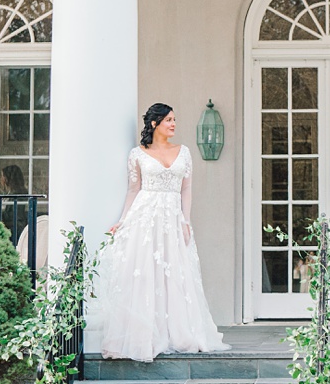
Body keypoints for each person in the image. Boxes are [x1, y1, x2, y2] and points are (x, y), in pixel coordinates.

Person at [93, 103, 230, 361]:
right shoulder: (137, 154)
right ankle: (144, 335)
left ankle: (178, 332)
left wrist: (186, 221)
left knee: (176, 274)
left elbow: (186, 189)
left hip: (172, 218)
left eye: (174, 119)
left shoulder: (184, 152)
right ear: (155, 123)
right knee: (145, 274)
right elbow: (133, 190)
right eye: (168, 120)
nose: (173, 124)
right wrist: (122, 221)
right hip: (145, 218)